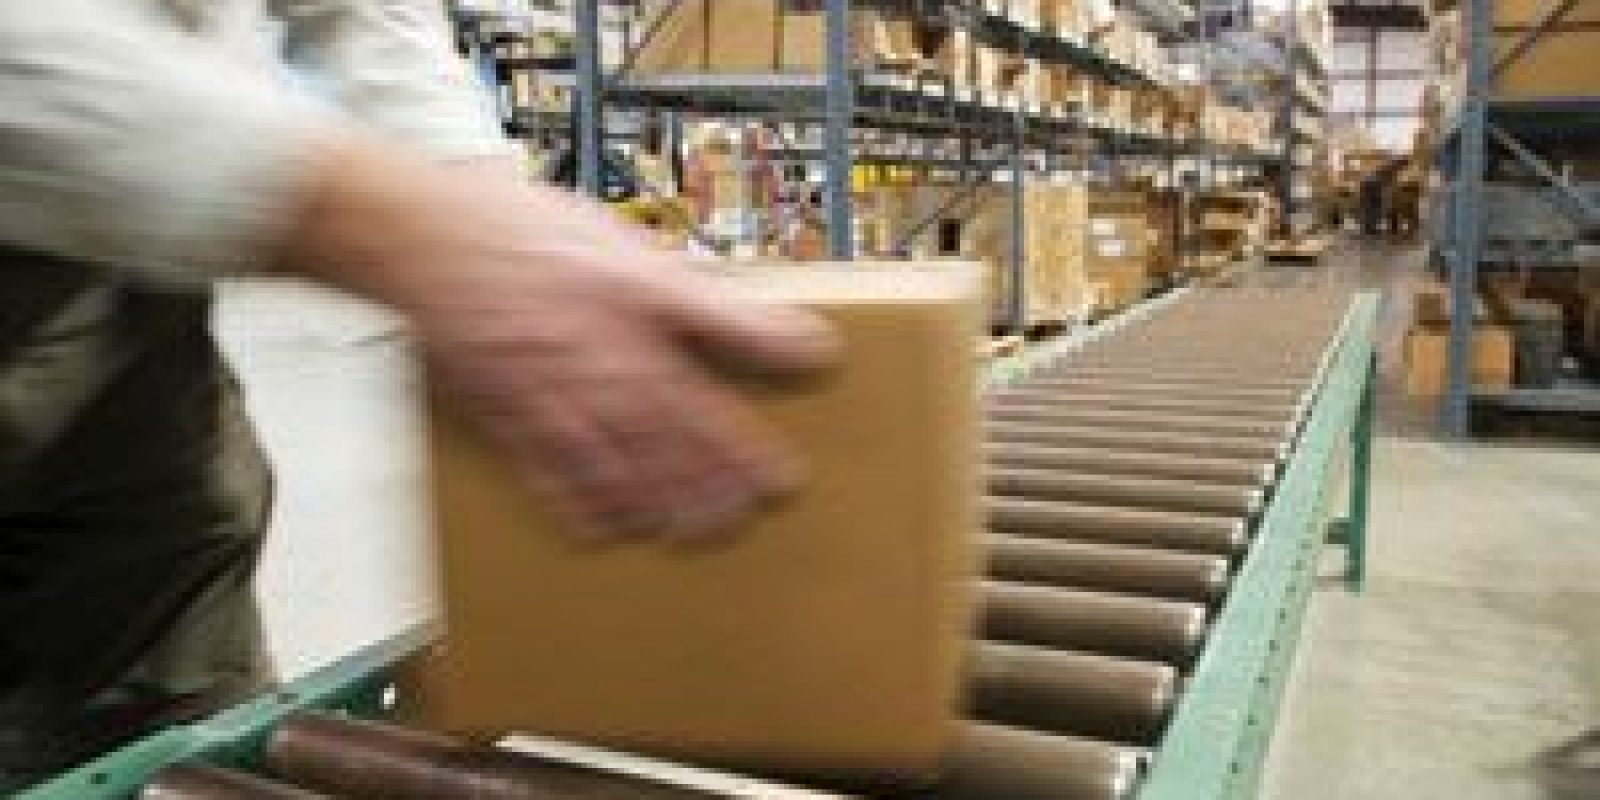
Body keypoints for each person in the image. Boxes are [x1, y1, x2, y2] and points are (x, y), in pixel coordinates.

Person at [0, 0, 832, 782]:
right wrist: (376, 220)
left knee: (171, 688)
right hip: (75, 170)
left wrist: (475, 189)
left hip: (122, 254)